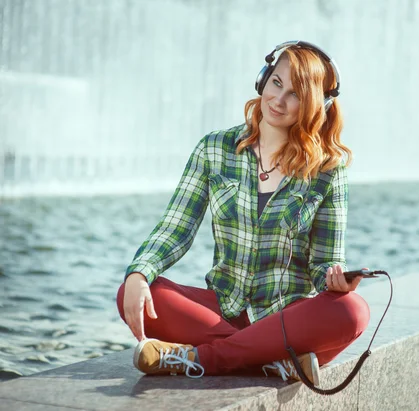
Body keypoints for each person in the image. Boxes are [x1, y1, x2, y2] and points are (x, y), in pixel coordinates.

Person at [116, 41, 370, 385]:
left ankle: (200, 358)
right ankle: (272, 361)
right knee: (137, 293)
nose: (278, 100)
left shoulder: (328, 169)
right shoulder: (214, 148)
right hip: (221, 311)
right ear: (262, 79)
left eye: (294, 94)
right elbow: (176, 229)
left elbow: (322, 264)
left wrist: (337, 279)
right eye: (276, 83)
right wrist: (140, 273)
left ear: (314, 105)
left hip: (285, 319)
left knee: (353, 311)